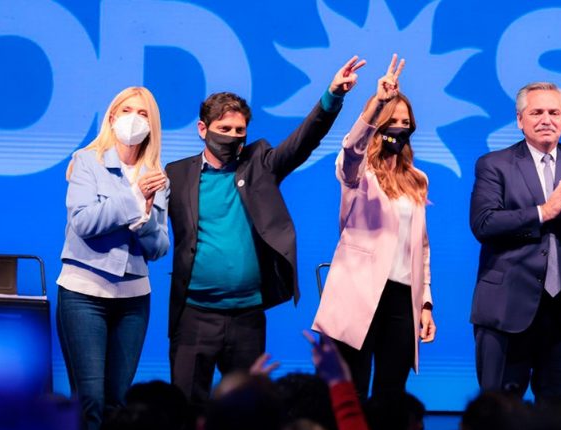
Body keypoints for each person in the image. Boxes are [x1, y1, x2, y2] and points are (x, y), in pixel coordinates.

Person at [166, 56, 365, 409]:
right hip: (194, 314)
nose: (232, 137)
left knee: (246, 414)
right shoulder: (176, 173)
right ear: (202, 128)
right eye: (224, 129)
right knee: (185, 411)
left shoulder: (260, 164)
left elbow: (304, 141)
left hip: (246, 318)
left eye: (239, 131)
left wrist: (332, 95)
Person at [469, 82, 561, 406]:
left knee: (557, 417)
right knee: (499, 416)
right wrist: (543, 212)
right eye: (536, 112)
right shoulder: (494, 164)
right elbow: (484, 224)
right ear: (520, 120)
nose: (546, 119)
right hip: (507, 309)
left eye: (554, 112)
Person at [312, 54, 437, 400]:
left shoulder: (417, 179)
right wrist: (375, 105)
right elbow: (352, 149)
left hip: (401, 298)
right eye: (391, 120)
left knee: (390, 395)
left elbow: (421, 248)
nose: (399, 126)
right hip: (358, 294)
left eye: (404, 121)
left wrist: (425, 303)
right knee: (347, 392)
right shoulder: (358, 173)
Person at [56, 86, 170, 430]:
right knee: (89, 398)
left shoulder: (156, 174)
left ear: (152, 126)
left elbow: (159, 247)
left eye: (143, 114)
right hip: (84, 293)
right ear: (111, 117)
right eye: (127, 111)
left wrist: (144, 219)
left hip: (133, 297)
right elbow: (84, 223)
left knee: (117, 401)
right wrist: (135, 198)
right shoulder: (87, 161)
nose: (134, 120)